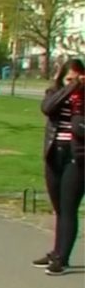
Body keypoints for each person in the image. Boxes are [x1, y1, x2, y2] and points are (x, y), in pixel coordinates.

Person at [35, 58, 84, 276]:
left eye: (77, 78)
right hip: (54, 154)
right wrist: (71, 88)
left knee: (68, 208)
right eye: (68, 79)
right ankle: (56, 251)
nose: (73, 83)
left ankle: (62, 258)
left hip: (77, 159)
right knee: (59, 208)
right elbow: (47, 108)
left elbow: (80, 128)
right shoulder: (54, 93)